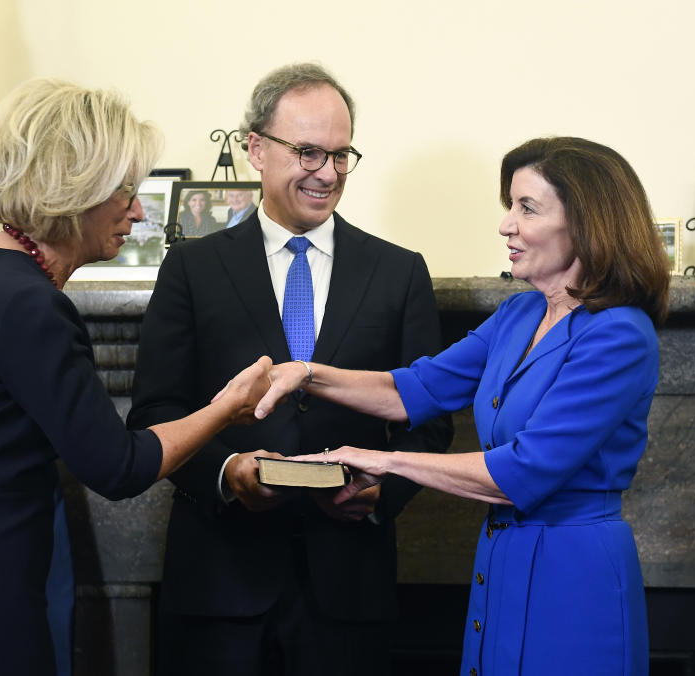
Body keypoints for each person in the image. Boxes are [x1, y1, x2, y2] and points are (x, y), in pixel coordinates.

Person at [0, 78, 271, 676]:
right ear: (73, 187)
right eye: (124, 191)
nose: (137, 209)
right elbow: (119, 468)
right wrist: (226, 407)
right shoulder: (28, 305)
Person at [256, 136, 670, 675]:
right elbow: (411, 389)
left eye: (526, 208)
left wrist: (382, 460)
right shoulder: (518, 316)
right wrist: (304, 374)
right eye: (509, 206)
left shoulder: (620, 336)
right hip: (502, 559)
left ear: (587, 223)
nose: (506, 225)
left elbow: (520, 473)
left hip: (575, 576)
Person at [127, 63, 452, 676]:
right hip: (220, 586)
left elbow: (427, 419)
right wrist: (228, 471)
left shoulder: (399, 272)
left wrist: (383, 493)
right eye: (307, 152)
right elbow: (155, 412)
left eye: (340, 155)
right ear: (255, 148)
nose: (326, 173)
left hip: (350, 589)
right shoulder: (191, 269)